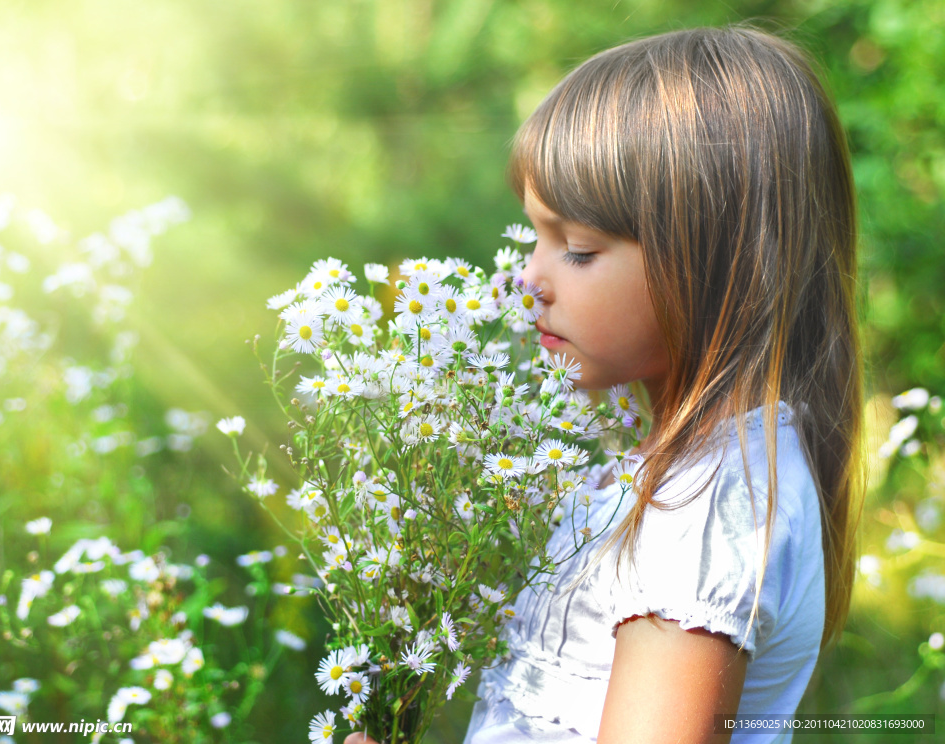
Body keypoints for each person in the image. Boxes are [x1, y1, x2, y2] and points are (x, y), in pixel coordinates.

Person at [347, 23, 862, 744]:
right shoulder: (687, 473)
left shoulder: (704, 510)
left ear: (711, 263)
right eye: (535, 236)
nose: (530, 278)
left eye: (578, 249)